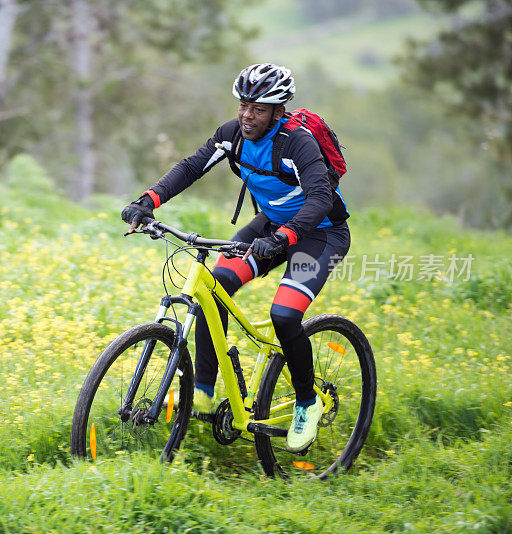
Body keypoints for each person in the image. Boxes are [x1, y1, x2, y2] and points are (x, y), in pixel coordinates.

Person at [121, 63, 350, 452]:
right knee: (216, 284)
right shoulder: (232, 136)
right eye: (244, 105)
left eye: (258, 109)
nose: (247, 115)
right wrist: (148, 201)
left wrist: (284, 237)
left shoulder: (298, 143)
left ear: (279, 112)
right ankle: (205, 390)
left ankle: (307, 403)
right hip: (271, 226)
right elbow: (192, 167)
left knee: (284, 315)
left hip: (320, 234)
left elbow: (320, 198)